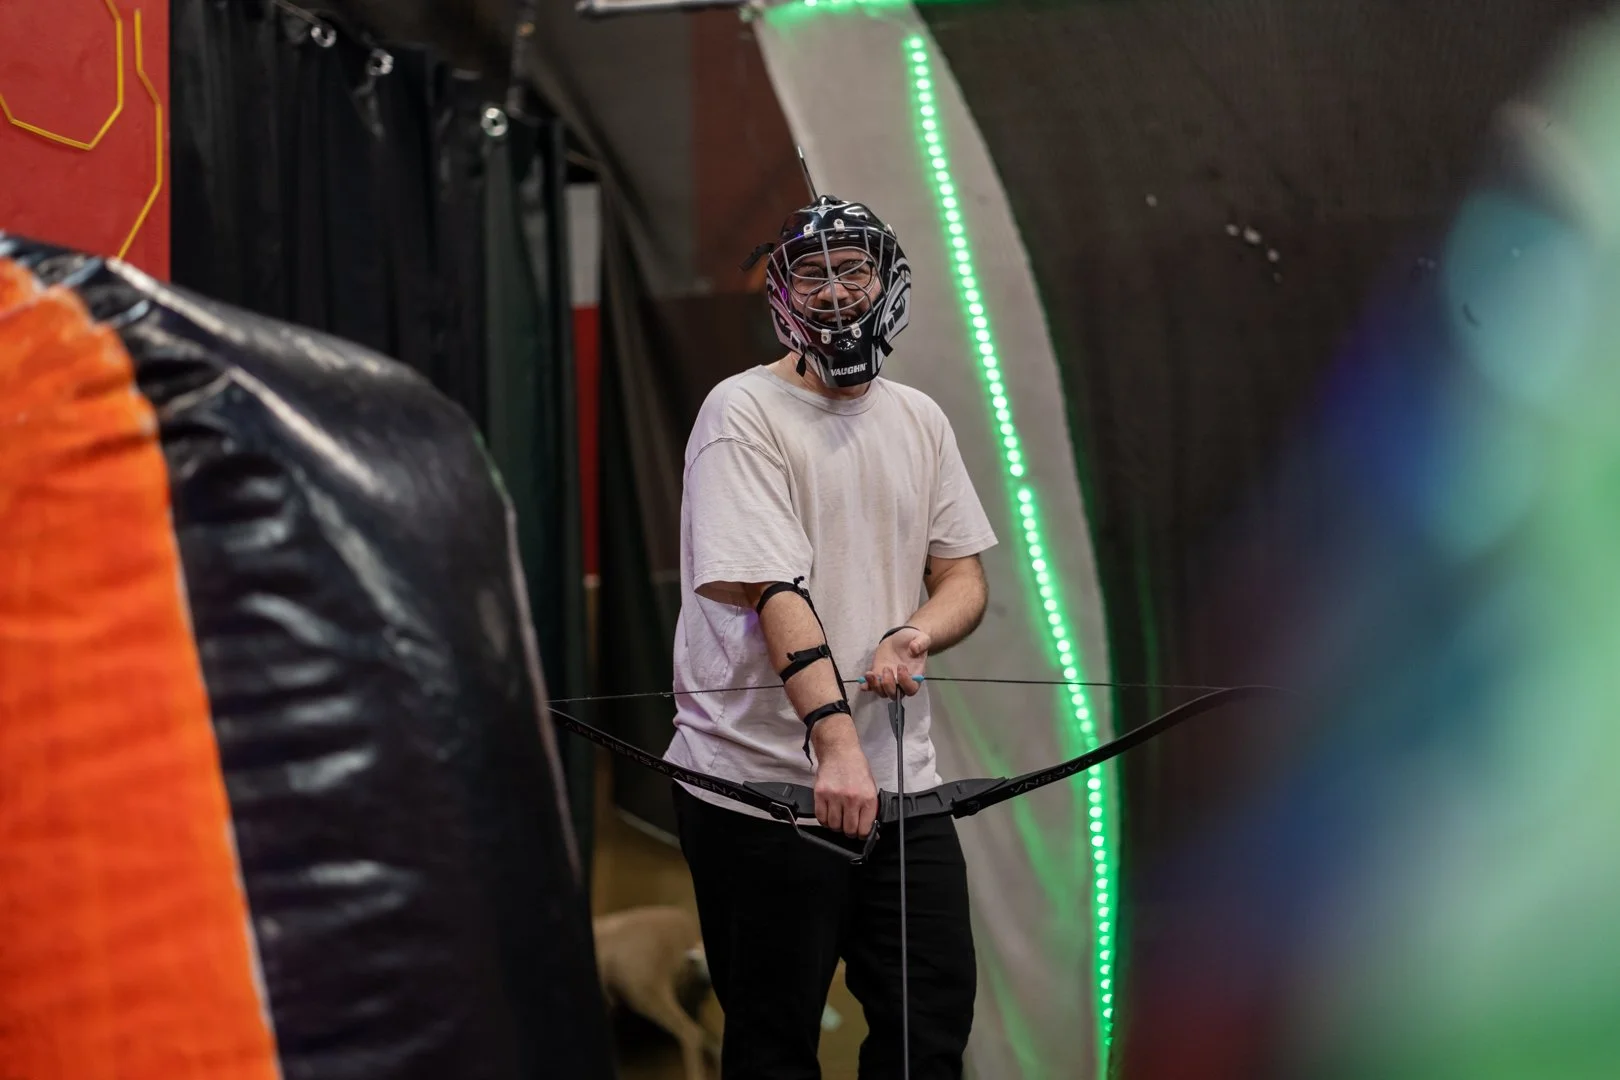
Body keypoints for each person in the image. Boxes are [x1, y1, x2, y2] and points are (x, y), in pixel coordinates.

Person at [664, 192, 998, 1079]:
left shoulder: (918, 417)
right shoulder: (741, 411)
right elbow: (776, 586)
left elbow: (962, 574)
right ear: (783, 295)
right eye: (813, 273)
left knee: (929, 1031)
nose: (837, 293)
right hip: (762, 791)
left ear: (889, 281)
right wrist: (835, 746)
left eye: (854, 270)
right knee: (775, 1045)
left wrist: (914, 634)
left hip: (898, 786)